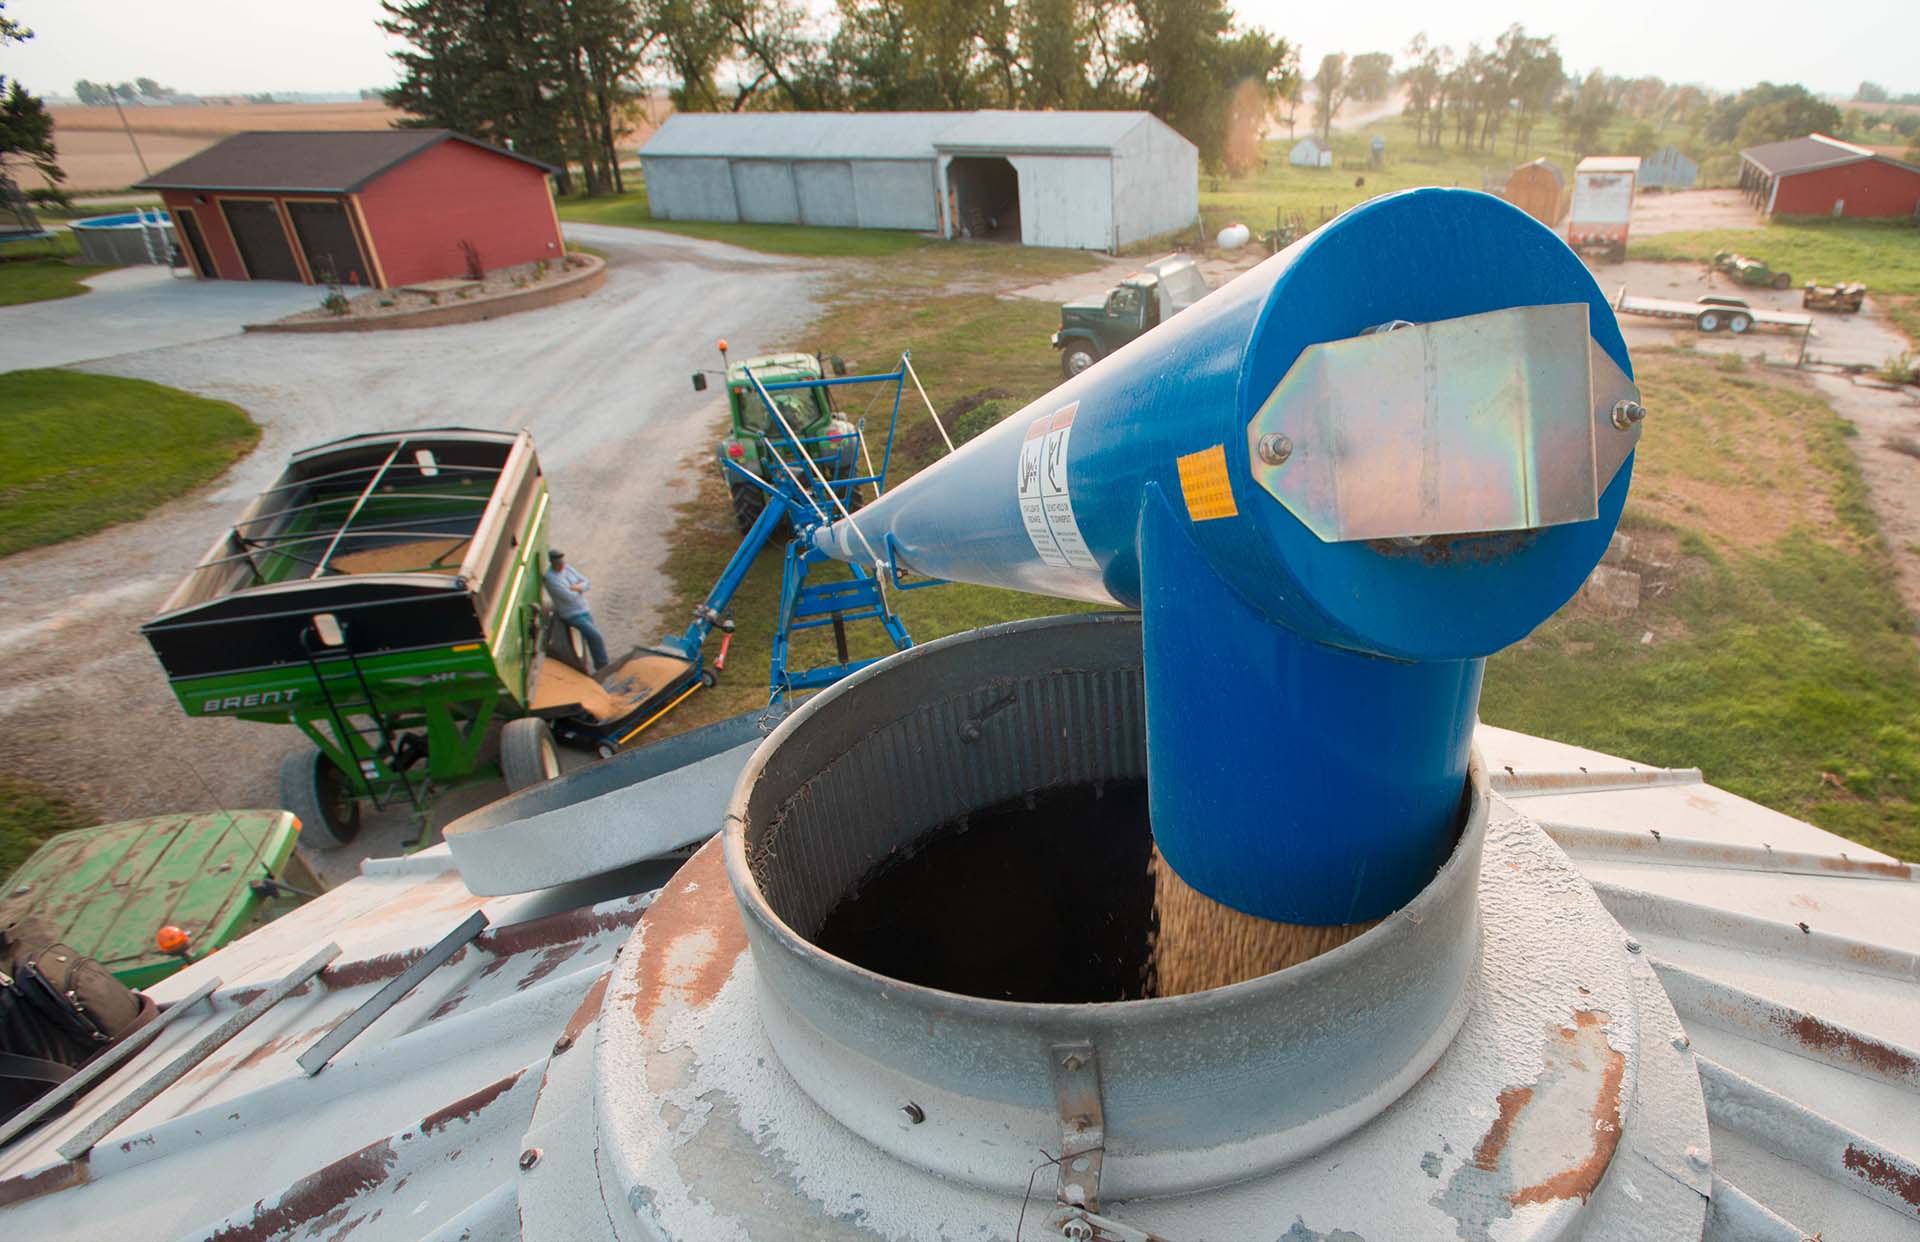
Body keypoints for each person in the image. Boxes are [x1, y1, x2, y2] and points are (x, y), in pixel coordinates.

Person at [542, 548, 609, 670]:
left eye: (562, 562)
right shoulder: (551, 579)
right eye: (559, 564)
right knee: (595, 637)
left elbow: (586, 582)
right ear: (553, 564)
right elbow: (569, 597)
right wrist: (580, 588)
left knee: (590, 639)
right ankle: (603, 667)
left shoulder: (567, 568)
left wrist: (576, 587)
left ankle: (590, 666)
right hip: (572, 614)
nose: (562, 566)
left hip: (584, 609)